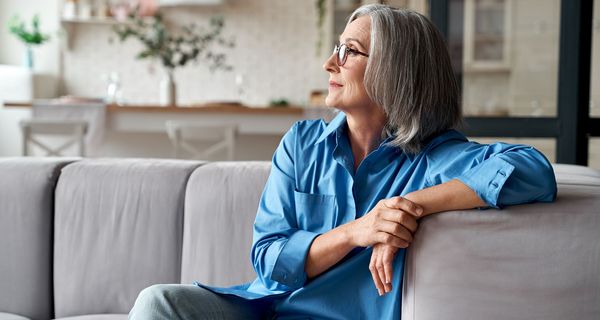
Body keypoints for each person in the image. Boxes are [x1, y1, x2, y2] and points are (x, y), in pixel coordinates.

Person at [129, 4, 557, 319]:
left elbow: (534, 170)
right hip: (266, 310)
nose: (329, 63)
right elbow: (269, 258)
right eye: (338, 48)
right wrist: (359, 231)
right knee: (158, 303)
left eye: (349, 51)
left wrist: (411, 206)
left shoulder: (436, 158)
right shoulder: (302, 142)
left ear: (394, 71)